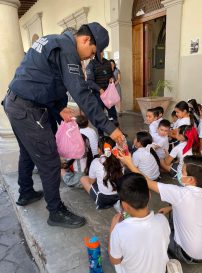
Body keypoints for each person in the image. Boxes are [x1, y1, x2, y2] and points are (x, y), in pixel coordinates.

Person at [2, 22, 124, 229]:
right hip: (27, 109)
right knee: (49, 159)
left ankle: (26, 192)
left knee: (28, 151)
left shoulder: (53, 40)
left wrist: (58, 107)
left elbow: (45, 78)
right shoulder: (68, 50)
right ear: (86, 40)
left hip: (16, 103)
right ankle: (55, 211)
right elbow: (81, 92)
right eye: (91, 52)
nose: (88, 58)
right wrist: (110, 127)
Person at [118, 154, 202, 264]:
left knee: (154, 232)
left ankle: (164, 263)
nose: (179, 172)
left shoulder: (179, 194)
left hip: (187, 254)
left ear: (190, 179)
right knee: (173, 204)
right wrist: (170, 208)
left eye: (182, 171)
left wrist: (129, 163)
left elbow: (147, 182)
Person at [109, 173, 188, 273]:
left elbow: (114, 260)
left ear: (124, 205)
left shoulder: (119, 230)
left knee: (119, 256)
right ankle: (169, 271)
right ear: (149, 196)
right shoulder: (162, 220)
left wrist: (113, 229)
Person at [80, 136, 123, 209]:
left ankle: (105, 203)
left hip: (103, 199)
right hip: (120, 195)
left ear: (99, 150)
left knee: (83, 179)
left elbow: (91, 181)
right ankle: (117, 203)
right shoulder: (120, 159)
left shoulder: (96, 162)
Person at [86, 51, 118, 134]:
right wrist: (99, 89)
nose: (100, 54)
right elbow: (89, 81)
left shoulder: (107, 63)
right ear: (94, 53)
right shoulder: (91, 64)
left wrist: (112, 79)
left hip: (108, 94)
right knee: (100, 115)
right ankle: (101, 135)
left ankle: (116, 132)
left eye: (101, 52)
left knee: (113, 114)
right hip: (98, 95)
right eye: (98, 52)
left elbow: (112, 76)